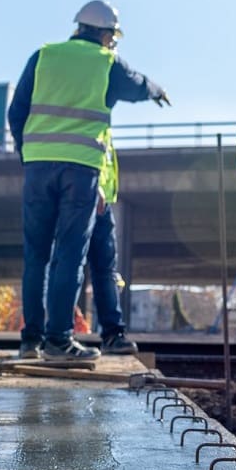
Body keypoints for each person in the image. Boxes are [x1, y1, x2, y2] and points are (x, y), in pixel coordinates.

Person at [8, 0, 169, 360]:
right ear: (105, 33)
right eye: (113, 36)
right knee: (69, 255)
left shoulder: (43, 56)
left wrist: (29, 153)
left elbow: (15, 111)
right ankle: (58, 340)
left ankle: (30, 340)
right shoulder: (106, 63)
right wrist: (156, 89)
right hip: (79, 169)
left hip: (37, 168)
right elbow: (137, 85)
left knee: (35, 256)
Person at [81, 129, 136, 354]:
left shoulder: (103, 125)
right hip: (86, 193)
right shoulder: (90, 106)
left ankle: (113, 334)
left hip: (101, 199)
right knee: (70, 263)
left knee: (105, 269)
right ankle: (57, 335)